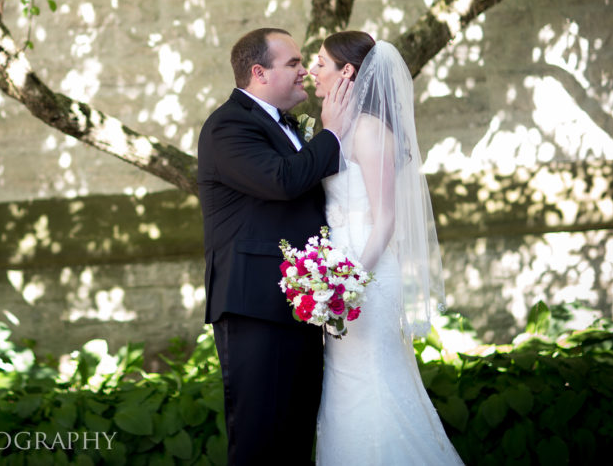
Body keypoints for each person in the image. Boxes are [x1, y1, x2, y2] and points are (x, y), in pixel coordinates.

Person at [198, 27, 352, 465]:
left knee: (295, 439)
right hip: (253, 306)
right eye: (294, 63)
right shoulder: (228, 125)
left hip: (300, 304)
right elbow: (281, 181)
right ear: (259, 72)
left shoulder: (286, 126)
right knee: (259, 440)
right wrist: (333, 135)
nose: (304, 71)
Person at [309, 30, 463, 464]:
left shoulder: (372, 131)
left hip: (366, 274)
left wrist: (349, 282)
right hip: (340, 274)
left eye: (322, 62)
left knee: (372, 379)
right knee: (345, 383)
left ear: (348, 72)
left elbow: (386, 221)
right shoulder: (341, 129)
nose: (314, 71)